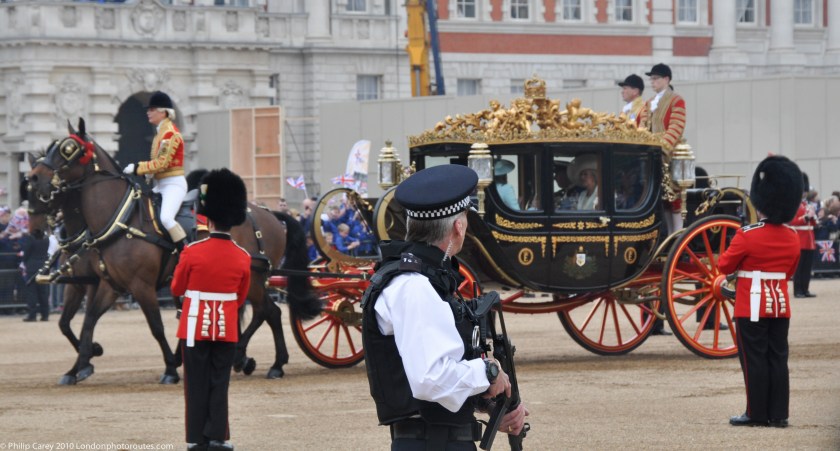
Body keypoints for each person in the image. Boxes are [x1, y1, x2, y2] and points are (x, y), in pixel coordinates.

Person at [362, 164, 529, 450]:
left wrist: (489, 403)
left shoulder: (427, 281)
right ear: (458, 226)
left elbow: (439, 378)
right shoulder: (414, 286)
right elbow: (430, 379)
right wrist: (488, 372)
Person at [718, 155, 802, 428]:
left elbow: (724, 264)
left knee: (754, 359)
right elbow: (790, 272)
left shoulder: (747, 234)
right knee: (778, 358)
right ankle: (779, 415)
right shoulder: (792, 237)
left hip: (749, 304)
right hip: (779, 304)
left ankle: (756, 413)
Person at [172, 168, 251, 451]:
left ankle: (196, 438)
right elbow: (240, 297)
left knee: (195, 384)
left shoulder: (192, 251)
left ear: (209, 216)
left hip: (194, 327)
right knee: (220, 382)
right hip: (227, 327)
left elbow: (176, 288)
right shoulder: (242, 257)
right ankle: (218, 436)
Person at [123, 91, 188, 245]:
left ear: (163, 112)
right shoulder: (161, 132)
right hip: (160, 185)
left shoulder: (170, 134)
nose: (148, 112)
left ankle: (186, 250)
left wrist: (138, 167)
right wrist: (149, 175)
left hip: (173, 185)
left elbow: (162, 163)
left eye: (152, 109)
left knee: (166, 218)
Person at [639, 63, 687, 232]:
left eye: (655, 78)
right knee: (662, 198)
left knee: (675, 196)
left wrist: (661, 149)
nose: (652, 82)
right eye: (651, 79)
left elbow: (676, 127)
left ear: (666, 79)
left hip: (671, 153)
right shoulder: (649, 102)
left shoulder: (676, 100)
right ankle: (669, 235)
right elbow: (643, 127)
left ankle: (678, 233)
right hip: (652, 152)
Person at [790, 173, 817, 298]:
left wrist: (813, 217)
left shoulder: (808, 205)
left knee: (807, 268)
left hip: (810, 240)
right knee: (799, 268)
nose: (804, 193)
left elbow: (814, 224)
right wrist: (805, 217)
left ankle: (805, 289)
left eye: (805, 191)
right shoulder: (793, 205)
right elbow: (792, 222)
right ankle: (798, 290)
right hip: (800, 239)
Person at [20, 229, 50, 322]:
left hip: (32, 266)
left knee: (32, 291)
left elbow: (27, 252)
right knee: (43, 291)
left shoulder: (30, 238)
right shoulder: (46, 239)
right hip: (44, 266)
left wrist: (25, 261)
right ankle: (45, 314)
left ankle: (32, 315)